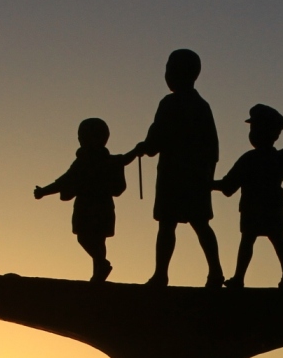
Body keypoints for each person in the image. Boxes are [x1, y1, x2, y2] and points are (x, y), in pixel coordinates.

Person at [126, 49, 223, 287]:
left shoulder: (170, 103)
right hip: (197, 175)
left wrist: (145, 147)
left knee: (168, 225)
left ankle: (162, 274)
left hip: (174, 175)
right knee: (200, 224)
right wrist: (207, 175)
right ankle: (215, 272)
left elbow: (156, 138)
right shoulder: (202, 105)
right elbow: (213, 146)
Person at [34, 117, 137, 282]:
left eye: (82, 135)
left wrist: (44, 191)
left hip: (90, 205)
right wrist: (45, 191)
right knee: (97, 239)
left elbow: (65, 181)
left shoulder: (87, 162)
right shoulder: (90, 160)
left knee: (86, 237)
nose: (80, 139)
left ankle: (101, 266)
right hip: (99, 205)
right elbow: (65, 180)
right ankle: (99, 270)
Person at [216, 105, 283, 288]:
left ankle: (242, 277)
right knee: (272, 238)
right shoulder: (276, 158)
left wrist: (208, 184)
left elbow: (229, 184)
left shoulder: (250, 159)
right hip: (269, 205)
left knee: (254, 239)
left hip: (254, 206)